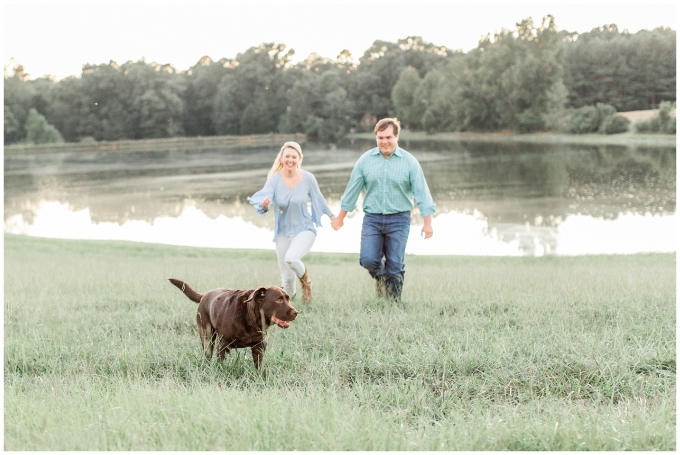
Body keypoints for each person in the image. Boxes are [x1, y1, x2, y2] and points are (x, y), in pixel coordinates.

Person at [331, 118, 435, 302]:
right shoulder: (365, 161)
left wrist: (428, 223)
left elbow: (422, 193)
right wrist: (340, 217)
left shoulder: (410, 162)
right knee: (368, 260)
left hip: (400, 219)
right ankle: (381, 278)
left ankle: (394, 304)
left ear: (396, 137)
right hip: (373, 219)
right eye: (380, 137)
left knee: (395, 265)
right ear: (376, 138)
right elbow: (352, 191)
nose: (384, 141)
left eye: (388, 137)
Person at [248, 141, 335, 303]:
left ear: (299, 159)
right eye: (287, 156)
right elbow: (264, 197)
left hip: (305, 229)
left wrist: (332, 216)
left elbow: (319, 199)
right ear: (281, 158)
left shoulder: (308, 178)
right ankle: (291, 307)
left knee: (291, 258)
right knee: (287, 279)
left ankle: (307, 283)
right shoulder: (274, 180)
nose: (290, 160)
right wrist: (264, 204)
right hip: (282, 233)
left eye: (294, 157)